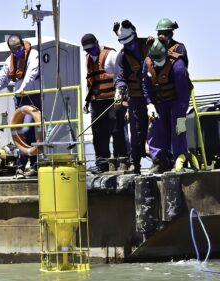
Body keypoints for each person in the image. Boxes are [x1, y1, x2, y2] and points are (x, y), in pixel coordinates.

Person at [0, 34, 41, 178]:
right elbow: (2, 78)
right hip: (20, 99)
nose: (17, 51)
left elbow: (31, 74)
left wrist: (23, 88)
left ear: (23, 44)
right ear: (10, 50)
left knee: (29, 130)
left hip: (34, 96)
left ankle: (29, 165)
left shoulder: (33, 55)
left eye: (19, 48)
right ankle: (23, 166)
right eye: (14, 50)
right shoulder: (9, 60)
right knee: (22, 132)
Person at [81, 33, 129, 174]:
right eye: (87, 50)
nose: (90, 52)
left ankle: (122, 161)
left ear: (97, 43)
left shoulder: (111, 55)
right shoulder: (87, 59)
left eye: (92, 48)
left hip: (113, 100)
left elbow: (121, 75)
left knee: (117, 130)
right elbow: (90, 81)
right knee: (98, 133)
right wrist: (87, 100)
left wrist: (120, 95)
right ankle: (102, 164)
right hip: (96, 101)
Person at [142, 38, 191, 174]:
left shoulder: (178, 65)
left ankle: (180, 160)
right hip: (159, 102)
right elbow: (146, 86)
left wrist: (181, 114)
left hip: (176, 102)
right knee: (156, 129)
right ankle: (159, 161)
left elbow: (184, 92)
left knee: (178, 130)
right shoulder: (147, 64)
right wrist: (149, 104)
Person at [113, 20, 150, 175]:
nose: (129, 45)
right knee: (135, 132)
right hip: (135, 98)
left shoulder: (149, 45)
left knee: (156, 128)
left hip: (154, 97)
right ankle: (136, 164)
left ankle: (162, 160)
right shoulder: (121, 56)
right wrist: (119, 91)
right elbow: (120, 76)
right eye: (125, 43)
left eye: (131, 42)